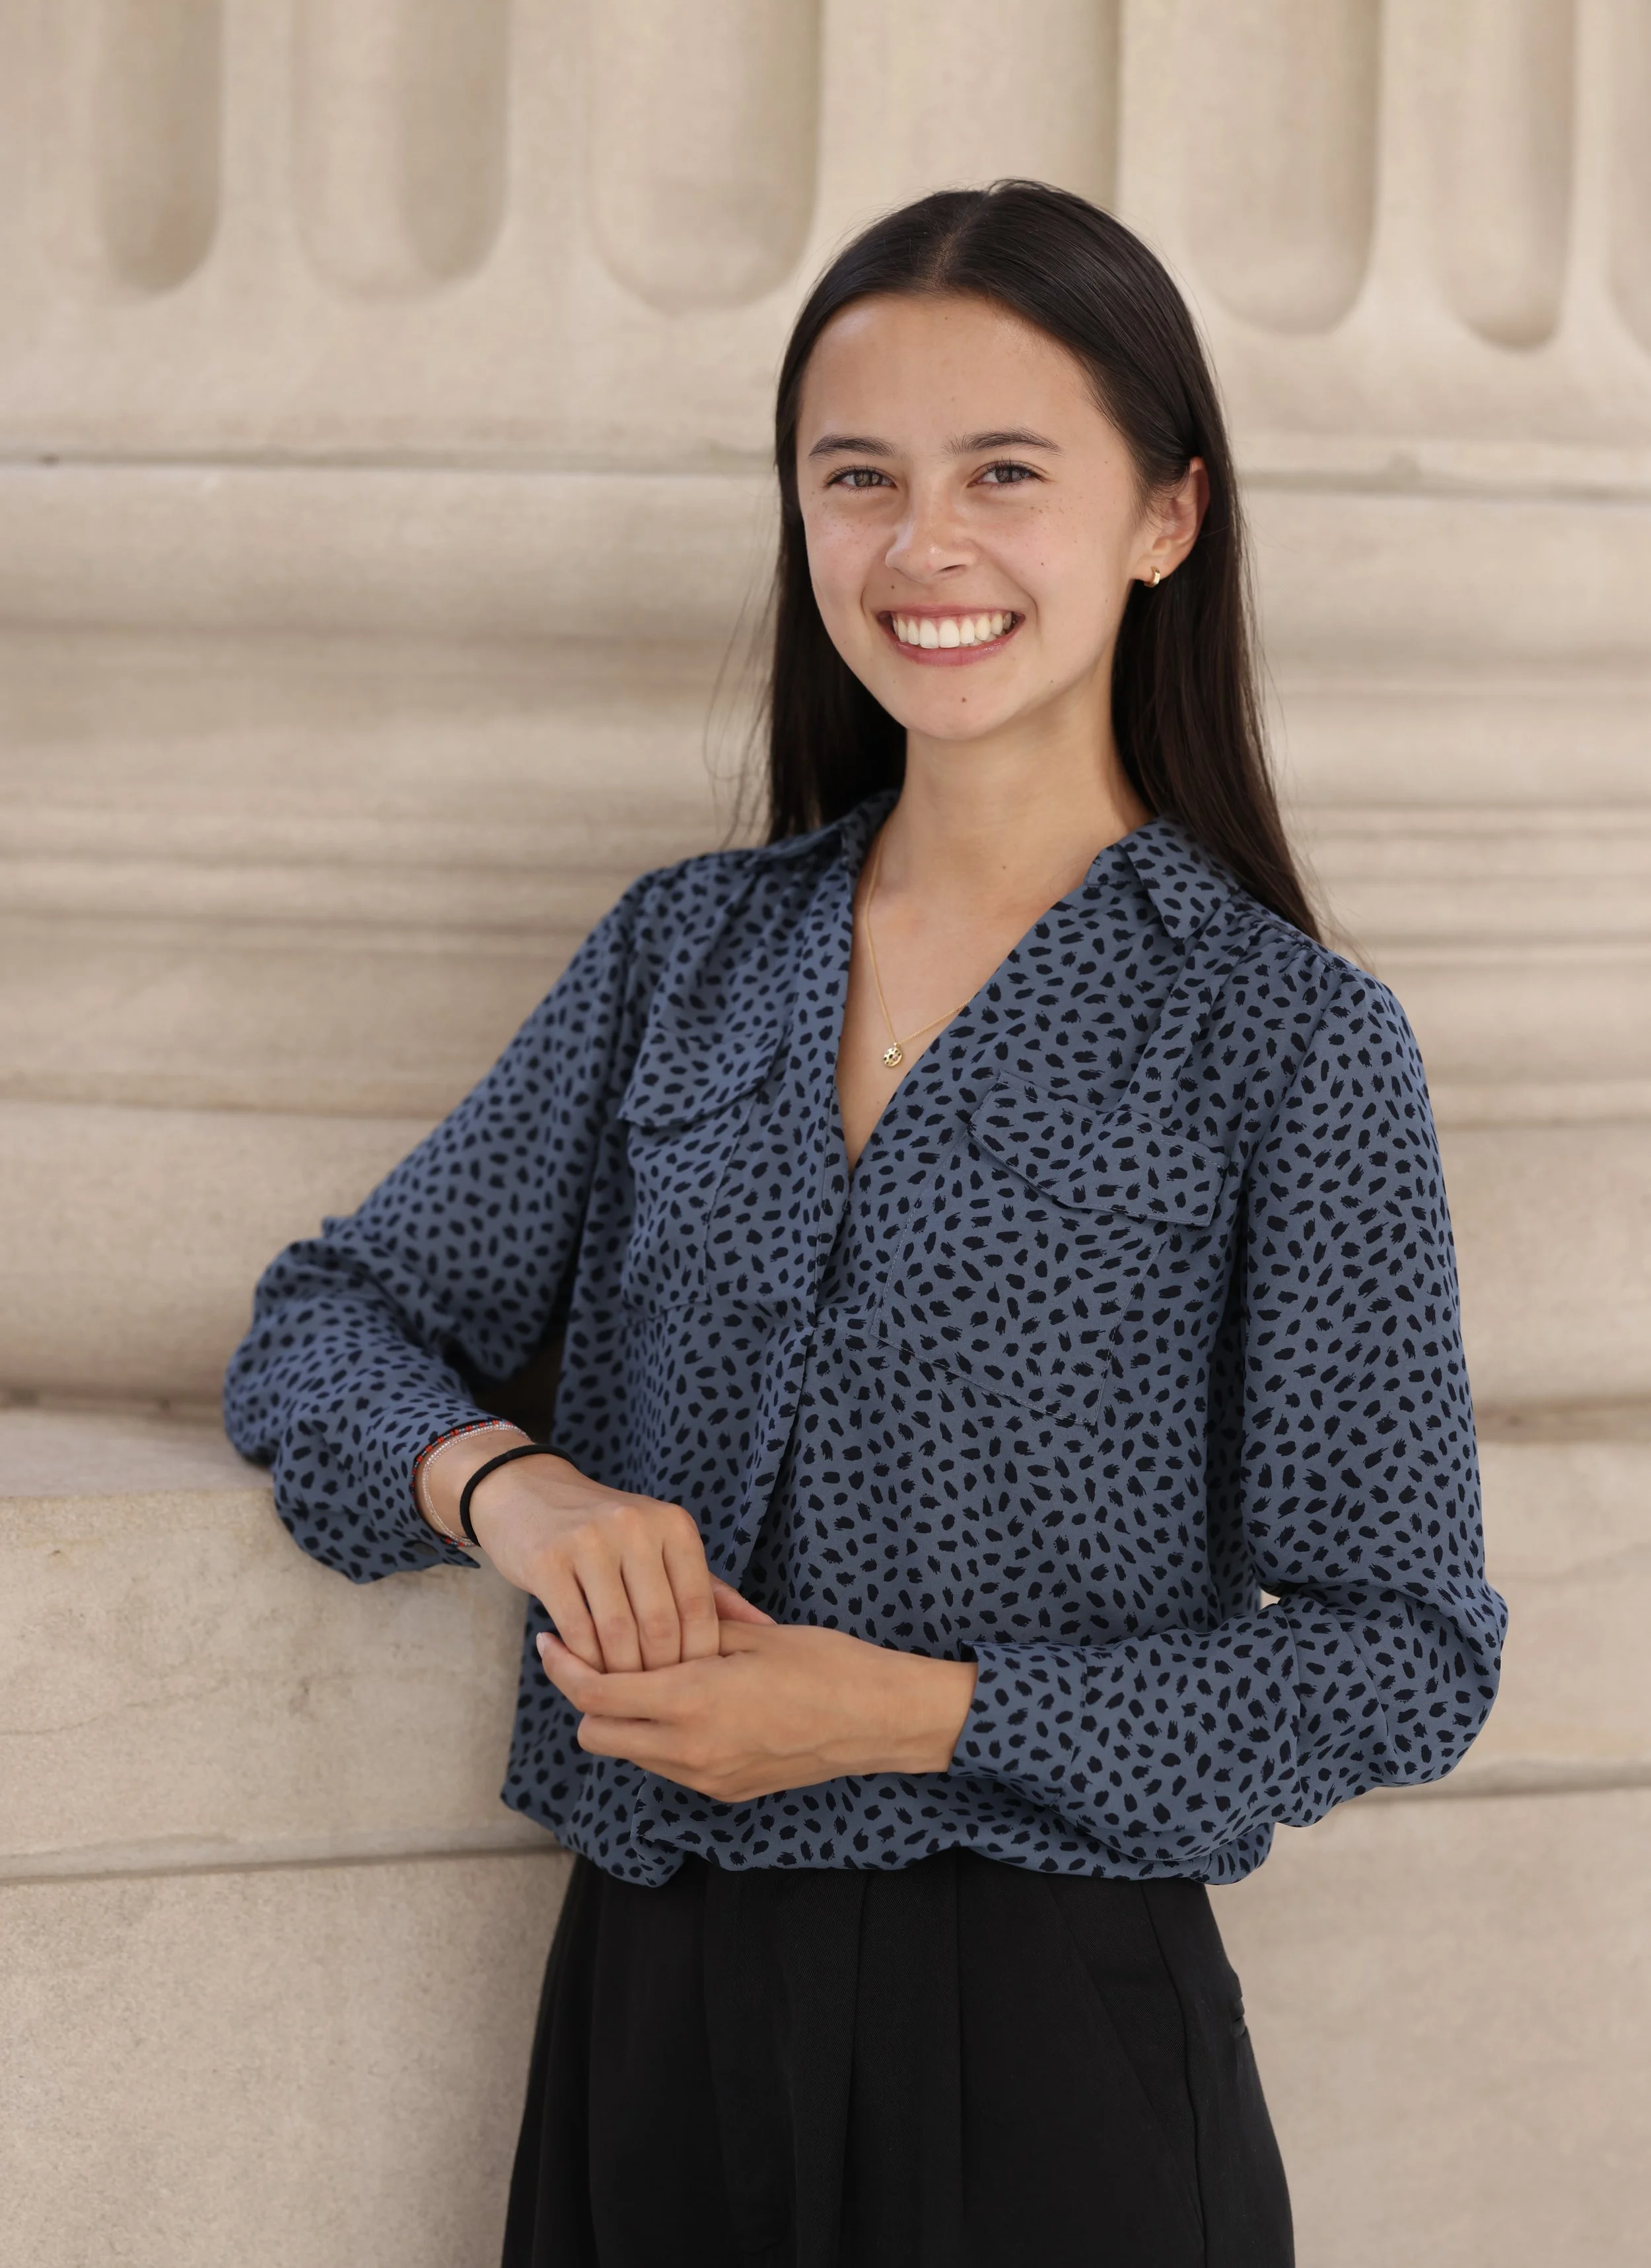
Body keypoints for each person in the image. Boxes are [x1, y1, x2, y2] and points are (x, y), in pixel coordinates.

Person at [225, 181, 1508, 2268]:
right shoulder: (685, 956)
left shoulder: (1285, 1045)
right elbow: (325, 1323)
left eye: (1005, 472)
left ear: (1163, 514)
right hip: (650, 2018)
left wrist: (915, 1713)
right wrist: (516, 1492)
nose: (922, 547)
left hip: (1054, 2048)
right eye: (858, 478)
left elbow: (1403, 1656)